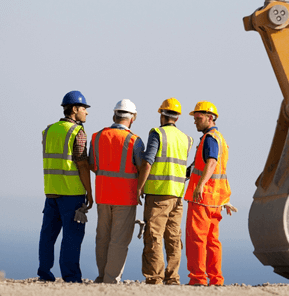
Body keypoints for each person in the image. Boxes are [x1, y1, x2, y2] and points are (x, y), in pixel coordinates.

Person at [38, 90, 94, 283]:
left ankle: (44, 273)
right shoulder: (77, 132)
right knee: (72, 238)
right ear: (75, 109)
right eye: (84, 108)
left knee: (48, 235)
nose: (86, 112)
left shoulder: (49, 130)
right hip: (72, 193)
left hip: (51, 191)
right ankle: (71, 278)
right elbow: (82, 163)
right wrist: (90, 191)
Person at [136, 98, 193, 285]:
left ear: (162, 114)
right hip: (177, 196)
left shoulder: (157, 134)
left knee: (154, 236)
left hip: (158, 194)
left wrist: (139, 187)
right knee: (174, 237)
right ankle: (173, 278)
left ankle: (155, 278)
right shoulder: (186, 138)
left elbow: (147, 162)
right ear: (177, 117)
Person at [89, 99, 145, 284]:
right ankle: (111, 280)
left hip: (103, 195)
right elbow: (141, 167)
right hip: (125, 198)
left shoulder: (97, 137)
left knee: (102, 238)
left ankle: (101, 275)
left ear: (114, 115)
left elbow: (92, 164)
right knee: (118, 241)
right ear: (133, 118)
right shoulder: (134, 141)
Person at [184, 101, 235, 286]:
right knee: (213, 242)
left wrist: (199, 186)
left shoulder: (210, 139)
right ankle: (216, 279)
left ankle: (197, 279)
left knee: (196, 239)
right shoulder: (220, 138)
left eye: (198, 118)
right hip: (215, 201)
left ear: (210, 118)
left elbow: (212, 163)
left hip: (202, 199)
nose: (195, 122)